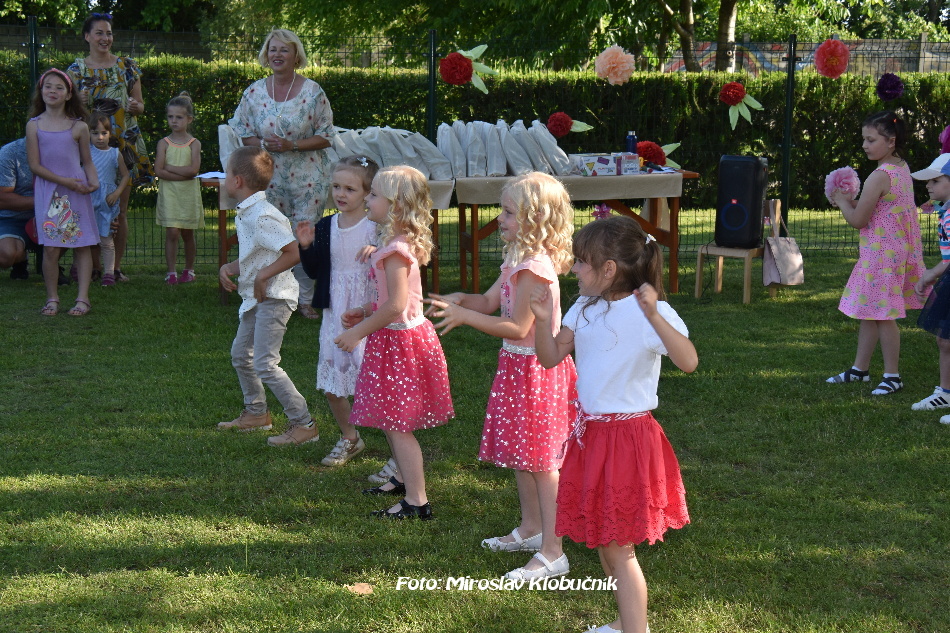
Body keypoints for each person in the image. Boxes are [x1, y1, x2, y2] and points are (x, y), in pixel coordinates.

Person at [531, 215, 697, 633]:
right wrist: (543, 320)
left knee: (620, 551)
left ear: (608, 269)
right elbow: (550, 357)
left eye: (581, 262)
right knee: (607, 546)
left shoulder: (649, 314)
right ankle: (626, 623)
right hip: (592, 438)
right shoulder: (585, 307)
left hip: (628, 441)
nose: (574, 269)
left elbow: (688, 361)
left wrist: (654, 315)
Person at [426, 172, 576, 579]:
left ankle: (553, 551)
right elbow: (490, 301)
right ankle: (531, 529)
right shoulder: (516, 260)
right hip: (518, 368)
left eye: (508, 212)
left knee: (542, 462)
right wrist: (462, 299)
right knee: (524, 455)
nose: (500, 219)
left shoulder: (534, 268)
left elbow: (516, 326)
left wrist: (464, 316)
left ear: (535, 218)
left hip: (536, 371)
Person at [334, 166, 454, 520]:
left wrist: (359, 331)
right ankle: (402, 478)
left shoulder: (396, 251)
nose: (367, 200)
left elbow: (397, 306)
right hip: (396, 339)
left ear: (396, 206)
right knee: (390, 416)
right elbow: (397, 300)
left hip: (400, 343)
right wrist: (365, 310)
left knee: (398, 425)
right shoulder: (395, 246)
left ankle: (417, 500)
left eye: (373, 195)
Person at [228, 28, 335, 319]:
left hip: (308, 179)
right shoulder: (253, 92)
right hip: (267, 177)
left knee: (304, 236)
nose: (277, 54)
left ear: (296, 55)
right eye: (272, 49)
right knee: (270, 234)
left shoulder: (313, 92)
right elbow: (243, 131)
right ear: (266, 55)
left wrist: (292, 145)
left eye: (284, 49)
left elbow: (327, 135)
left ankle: (305, 299)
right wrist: (264, 144)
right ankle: (269, 293)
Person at [217, 146, 317, 446]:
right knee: (241, 355)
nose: (224, 179)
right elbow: (257, 254)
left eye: (226, 173)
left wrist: (262, 276)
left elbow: (293, 252)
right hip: (257, 298)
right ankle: (256, 413)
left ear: (237, 181)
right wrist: (230, 267)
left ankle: (304, 424)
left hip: (275, 297)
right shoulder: (248, 212)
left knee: (265, 363)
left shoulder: (262, 216)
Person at [826, 111, 925, 395]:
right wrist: (851, 201)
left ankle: (892, 376)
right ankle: (860, 370)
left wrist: (843, 202)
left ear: (891, 141)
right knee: (870, 312)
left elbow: (859, 220)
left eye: (871, 140)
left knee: (883, 315)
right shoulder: (901, 168)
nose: (864, 145)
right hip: (894, 253)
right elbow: (882, 206)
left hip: (881, 256)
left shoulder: (879, 176)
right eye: (864, 139)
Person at [297, 156, 380, 463]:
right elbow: (315, 270)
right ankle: (350, 437)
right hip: (336, 312)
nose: (341, 194)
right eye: (336, 187)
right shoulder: (325, 226)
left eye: (350, 189)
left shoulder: (376, 227)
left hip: (369, 311)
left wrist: (378, 251)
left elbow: (398, 261)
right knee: (334, 383)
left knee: (375, 382)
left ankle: (398, 446)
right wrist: (306, 246)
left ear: (368, 193)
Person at [68, 12, 152, 282]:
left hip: (124, 144)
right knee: (89, 208)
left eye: (109, 33)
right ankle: (91, 266)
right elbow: (67, 112)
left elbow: (140, 105)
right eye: (99, 33)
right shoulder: (76, 71)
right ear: (87, 36)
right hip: (89, 149)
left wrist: (137, 106)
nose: (105, 38)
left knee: (120, 211)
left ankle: (114, 268)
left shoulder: (128, 66)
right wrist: (78, 102)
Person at [26, 68, 99, 317]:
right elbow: (35, 166)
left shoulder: (79, 127)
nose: (53, 91)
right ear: (41, 92)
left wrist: (93, 182)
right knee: (51, 248)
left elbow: (87, 162)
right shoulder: (34, 126)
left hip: (76, 192)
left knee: (82, 244)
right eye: (48, 86)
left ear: (69, 95)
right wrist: (64, 182)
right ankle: (52, 298)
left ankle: (83, 299)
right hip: (50, 194)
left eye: (59, 87)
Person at [911, 154, 950, 419]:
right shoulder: (945, 212)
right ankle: (945, 393)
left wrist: (929, 275)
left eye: (935, 181)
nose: (928, 186)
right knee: (944, 339)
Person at [154, 92, 202, 285]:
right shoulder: (163, 143)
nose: (174, 121)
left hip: (188, 195)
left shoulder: (194, 144)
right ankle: (171, 272)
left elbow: (193, 170)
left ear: (189, 119)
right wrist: (182, 175)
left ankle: (189, 270)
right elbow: (159, 170)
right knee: (172, 232)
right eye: (170, 116)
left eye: (179, 117)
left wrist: (170, 168)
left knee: (187, 233)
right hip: (170, 194)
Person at [87, 111, 129, 287]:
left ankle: (109, 273)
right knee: (85, 237)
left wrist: (117, 193)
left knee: (106, 239)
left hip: (107, 202)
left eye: (104, 133)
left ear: (110, 134)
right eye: (95, 133)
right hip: (88, 201)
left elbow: (125, 176)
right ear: (88, 134)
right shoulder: (86, 152)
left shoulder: (115, 153)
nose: (100, 137)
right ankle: (82, 269)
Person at [0, 138, 35, 280]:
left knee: (72, 227)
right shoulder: (10, 152)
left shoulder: (63, 150)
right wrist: (42, 201)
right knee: (5, 256)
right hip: (13, 218)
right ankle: (20, 259)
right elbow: (2, 199)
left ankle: (53, 267)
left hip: (52, 216)